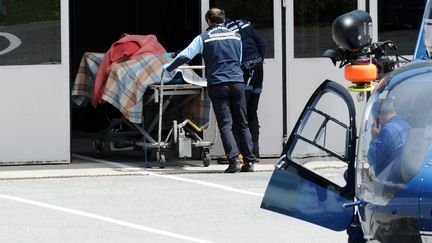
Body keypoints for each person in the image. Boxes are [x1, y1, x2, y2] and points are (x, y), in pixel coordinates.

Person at [162, 8, 256, 173]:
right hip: (237, 82)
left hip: (218, 84)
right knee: (242, 122)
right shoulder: (236, 36)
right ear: (223, 20)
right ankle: (249, 162)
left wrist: (170, 67)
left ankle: (234, 161)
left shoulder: (203, 38)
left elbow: (185, 56)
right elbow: (239, 59)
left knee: (226, 124)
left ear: (208, 22)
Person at [225, 18, 266, 160]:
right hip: (258, 69)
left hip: (246, 70)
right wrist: (260, 60)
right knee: (252, 111)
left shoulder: (226, 31)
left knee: (239, 112)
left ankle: (241, 153)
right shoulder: (245, 24)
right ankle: (255, 151)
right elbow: (262, 43)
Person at [367, 97, 410, 179]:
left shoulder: (387, 130)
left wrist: (374, 138)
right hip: (404, 176)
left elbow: (373, 161)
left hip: (390, 181)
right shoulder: (406, 125)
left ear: (377, 117)